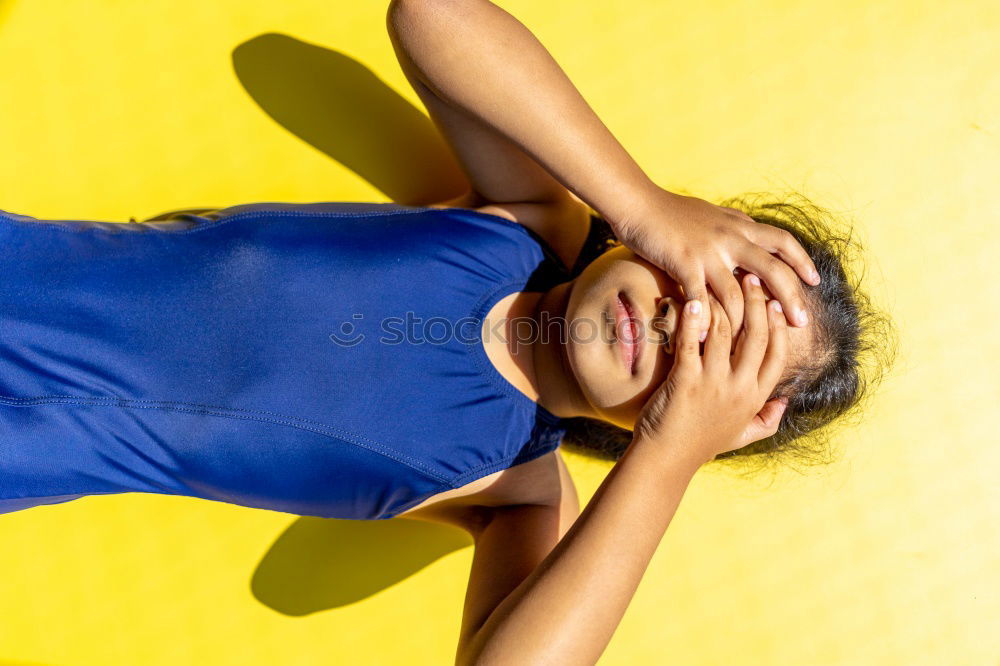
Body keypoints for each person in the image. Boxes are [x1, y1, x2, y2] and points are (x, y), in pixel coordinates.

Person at [0, 1, 892, 663]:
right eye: (710, 285)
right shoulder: (527, 220)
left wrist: (666, 459)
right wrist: (643, 202)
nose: (679, 321)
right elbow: (431, 14)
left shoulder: (520, 496)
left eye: (717, 357)